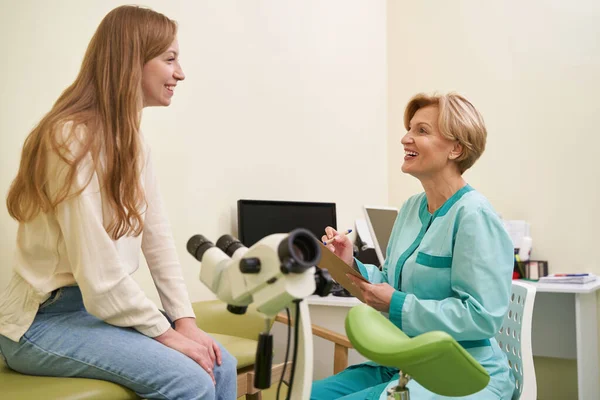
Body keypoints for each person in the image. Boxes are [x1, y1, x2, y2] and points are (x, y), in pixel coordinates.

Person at [0, 6, 237, 399]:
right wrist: (165, 334)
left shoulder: (132, 143)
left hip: (98, 313)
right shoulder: (69, 139)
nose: (180, 73)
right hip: (42, 323)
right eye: (170, 59)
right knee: (189, 379)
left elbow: (157, 240)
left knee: (220, 363)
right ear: (132, 62)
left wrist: (184, 321)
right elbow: (99, 276)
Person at [312, 92, 515, 399]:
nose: (406, 138)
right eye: (409, 129)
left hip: (465, 370)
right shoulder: (410, 209)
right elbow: (390, 286)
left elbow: (481, 317)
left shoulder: (475, 215)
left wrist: (397, 304)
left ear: (456, 148)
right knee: (305, 394)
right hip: (406, 361)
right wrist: (349, 264)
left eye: (421, 131)